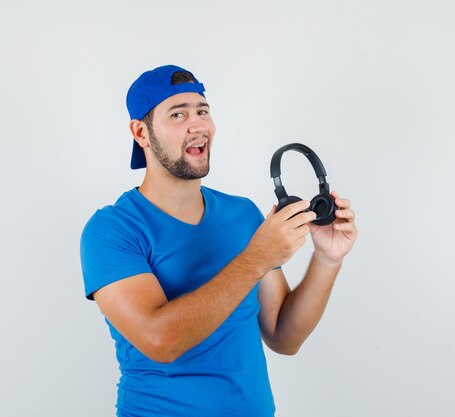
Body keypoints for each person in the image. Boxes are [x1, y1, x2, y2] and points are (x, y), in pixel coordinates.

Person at [80, 64, 358, 417]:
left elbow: (284, 337)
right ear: (141, 133)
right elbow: (159, 341)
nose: (197, 125)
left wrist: (327, 259)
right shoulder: (112, 229)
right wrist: (256, 258)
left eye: (203, 111)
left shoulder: (242, 215)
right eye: (177, 114)